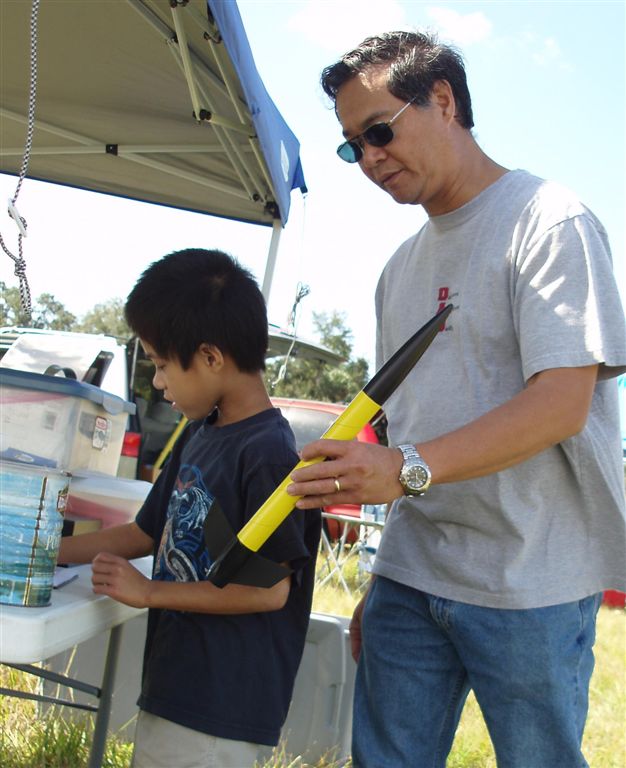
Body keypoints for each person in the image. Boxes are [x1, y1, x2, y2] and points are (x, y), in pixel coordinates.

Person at [287, 30, 626, 768]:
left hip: (531, 583)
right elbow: (408, 429)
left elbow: (561, 404)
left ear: (443, 100)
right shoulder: (397, 271)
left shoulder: (550, 222)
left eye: (379, 131)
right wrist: (384, 579)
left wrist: (406, 468)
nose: (370, 158)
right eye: (352, 146)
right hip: (412, 579)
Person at [59, 248, 321, 768]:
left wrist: (148, 592)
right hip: (176, 685)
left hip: (221, 706)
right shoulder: (201, 433)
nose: (157, 382)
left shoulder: (268, 455)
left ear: (210, 357)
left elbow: (269, 590)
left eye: (161, 365)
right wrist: (49, 552)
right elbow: (145, 533)